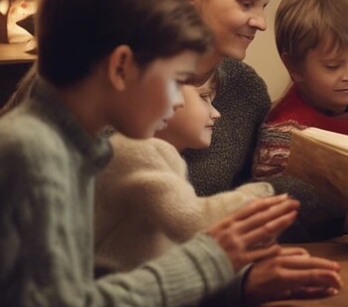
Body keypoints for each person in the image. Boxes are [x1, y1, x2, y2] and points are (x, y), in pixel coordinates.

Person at [0, 0, 339, 305]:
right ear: (121, 68)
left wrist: (232, 283)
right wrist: (206, 261)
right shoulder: (33, 151)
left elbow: (91, 284)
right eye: (177, 80)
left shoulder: (71, 149)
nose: (178, 101)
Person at [136, 0, 277, 197]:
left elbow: (249, 196)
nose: (261, 23)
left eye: (264, 6)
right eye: (246, 3)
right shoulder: (112, 76)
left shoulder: (246, 90)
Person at [94, 81, 275, 275]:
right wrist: (259, 193)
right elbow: (192, 221)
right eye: (204, 97)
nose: (216, 113)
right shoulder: (138, 150)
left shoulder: (157, 153)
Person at [253, 0, 348, 240]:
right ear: (294, 66)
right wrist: (341, 220)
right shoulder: (283, 135)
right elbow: (278, 215)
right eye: (332, 66)